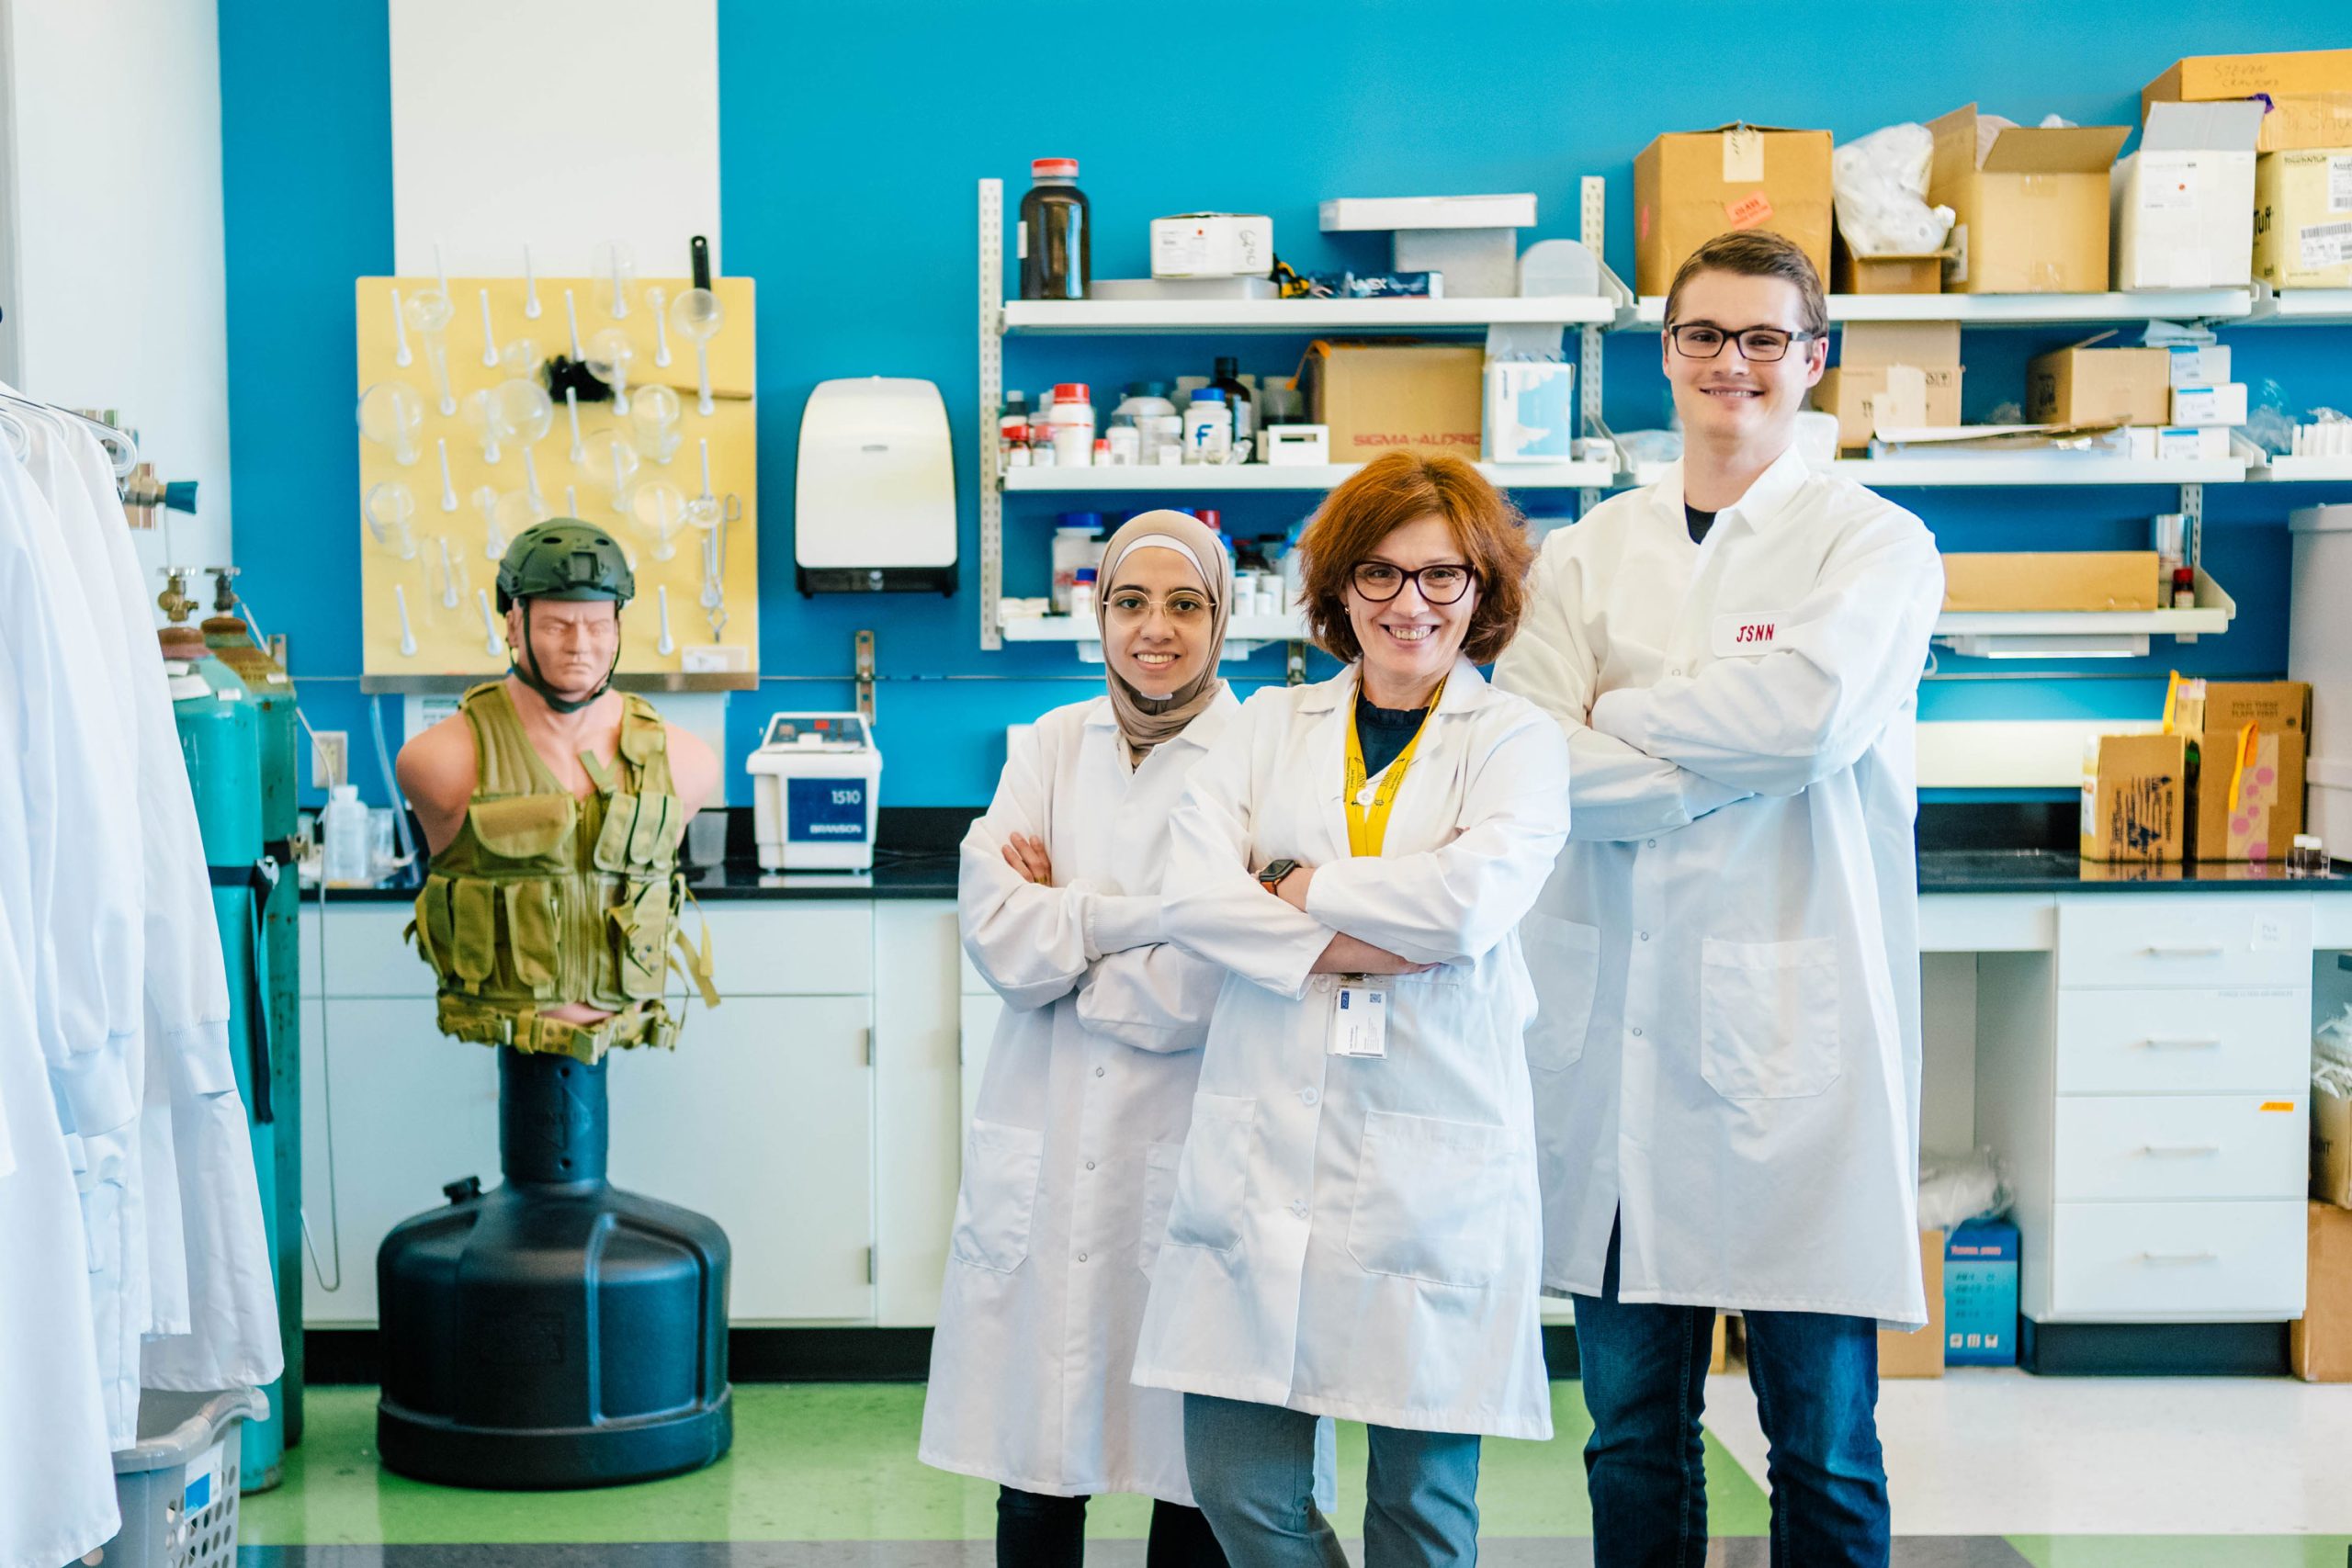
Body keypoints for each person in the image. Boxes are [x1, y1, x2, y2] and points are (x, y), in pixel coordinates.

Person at [1493, 230, 1945, 1568]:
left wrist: (1621, 717)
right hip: (1619, 1047)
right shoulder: (1583, 553)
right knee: (1630, 1428)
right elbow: (1533, 753)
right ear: (1667, 352)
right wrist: (1700, 763)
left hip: (1795, 1053)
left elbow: (1806, 721)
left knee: (1823, 1439)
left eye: (1763, 339)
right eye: (1703, 335)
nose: (1730, 363)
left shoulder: (1874, 543)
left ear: (1814, 360)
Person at [1133, 455, 1570, 1567]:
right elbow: (1191, 896)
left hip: (1435, 1155)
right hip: (1263, 1146)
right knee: (1240, 1490)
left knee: (1421, 1517)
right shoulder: (1265, 723)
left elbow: (1470, 907)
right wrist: (1380, 938)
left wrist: (1290, 885)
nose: (1408, 603)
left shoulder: (1514, 741)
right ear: (1338, 589)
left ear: (1481, 590)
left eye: (1439, 575)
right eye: (1378, 573)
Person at [920, 511, 1243, 1567]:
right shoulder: (1049, 745)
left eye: (1185, 604)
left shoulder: (1257, 755)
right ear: (1097, 615)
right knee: (1040, 1453)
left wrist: (1070, 921)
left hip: (1188, 1144)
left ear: (1222, 620)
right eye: (1132, 603)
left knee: (1184, 1463)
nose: (1157, 629)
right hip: (1049, 1137)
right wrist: (1135, 917)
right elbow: (1002, 939)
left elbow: (1202, 983)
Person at [397, 519, 720, 1060]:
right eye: (557, 626)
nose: (580, 646)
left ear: (618, 627)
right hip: (495, 1033)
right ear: (514, 624)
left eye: (597, 626)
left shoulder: (686, 761)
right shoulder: (439, 761)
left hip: (626, 1031)